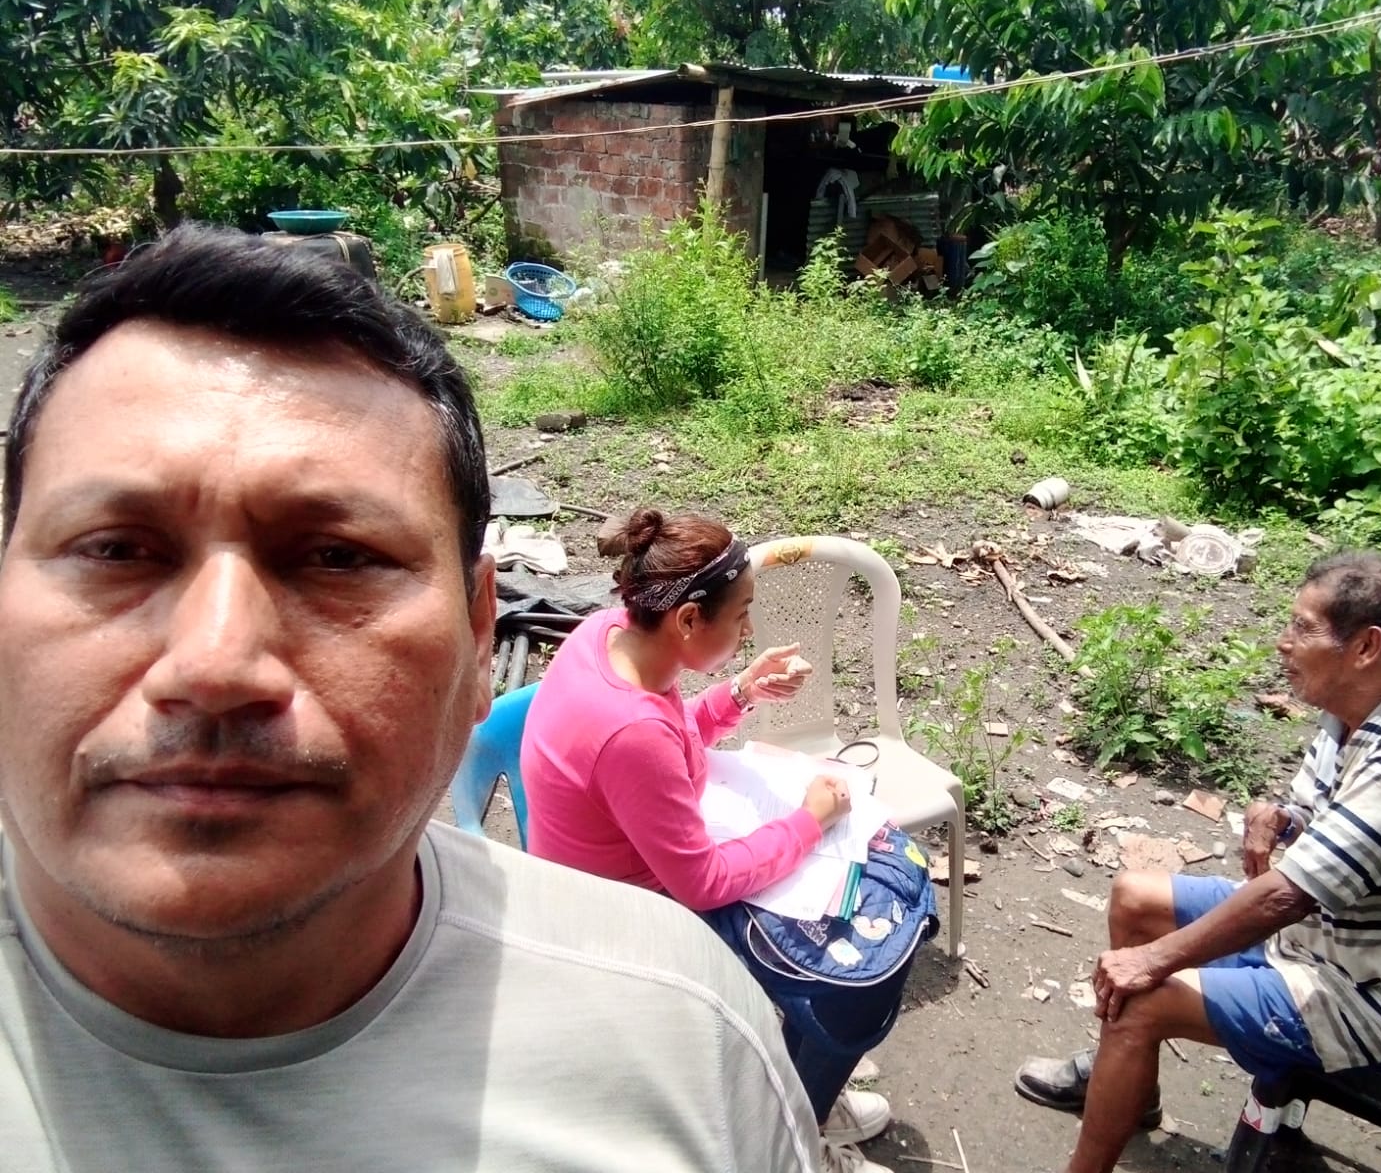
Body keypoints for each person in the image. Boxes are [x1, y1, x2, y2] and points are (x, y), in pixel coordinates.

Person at [0, 226, 823, 1173]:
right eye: (114, 550)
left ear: (479, 636)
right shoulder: (676, 1011)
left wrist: (732, 699)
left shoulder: (692, 1039)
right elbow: (695, 859)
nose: (214, 663)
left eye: (337, 557)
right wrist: (810, 817)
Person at [1014, 552, 1381, 1173]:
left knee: (1143, 998)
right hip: (1319, 941)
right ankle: (1132, 1088)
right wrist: (1282, 816)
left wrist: (1154, 960)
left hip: (1371, 1000)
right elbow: (1318, 811)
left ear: (1366, 647)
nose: (1283, 642)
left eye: (1303, 628)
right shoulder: (1352, 710)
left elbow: (1288, 896)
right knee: (1134, 896)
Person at [523, 510, 918, 1173]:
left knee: (864, 885)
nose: (750, 630)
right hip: (620, 920)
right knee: (858, 981)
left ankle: (786, 1086)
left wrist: (737, 693)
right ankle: (795, 1137)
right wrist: (810, 820)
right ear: (687, 620)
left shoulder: (610, 634)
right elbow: (701, 881)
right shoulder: (629, 731)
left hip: (613, 872)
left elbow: (669, 737)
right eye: (741, 616)